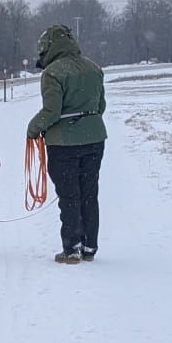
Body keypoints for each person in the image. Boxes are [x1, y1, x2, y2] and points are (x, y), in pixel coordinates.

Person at [24, 23, 108, 263]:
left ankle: (71, 248)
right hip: (95, 139)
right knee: (89, 194)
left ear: (48, 48)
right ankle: (90, 247)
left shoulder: (52, 73)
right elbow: (100, 106)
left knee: (70, 196)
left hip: (64, 144)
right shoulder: (93, 68)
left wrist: (33, 129)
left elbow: (52, 111)